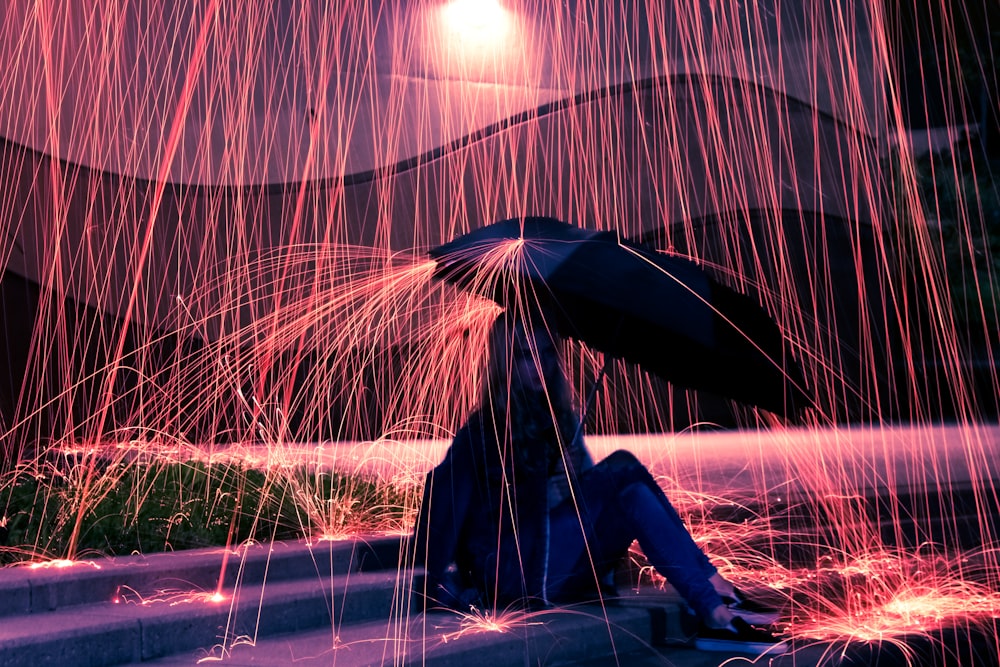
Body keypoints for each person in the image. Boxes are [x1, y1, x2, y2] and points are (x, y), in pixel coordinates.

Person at [414, 307, 785, 653]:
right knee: (622, 472)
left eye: (546, 353)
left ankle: (716, 594)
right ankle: (715, 609)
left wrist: (574, 482)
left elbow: (580, 507)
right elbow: (450, 503)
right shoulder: (485, 431)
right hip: (517, 575)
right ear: (504, 364)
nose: (539, 366)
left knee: (625, 472)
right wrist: (543, 495)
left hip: (553, 558)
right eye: (526, 357)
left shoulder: (556, 419)